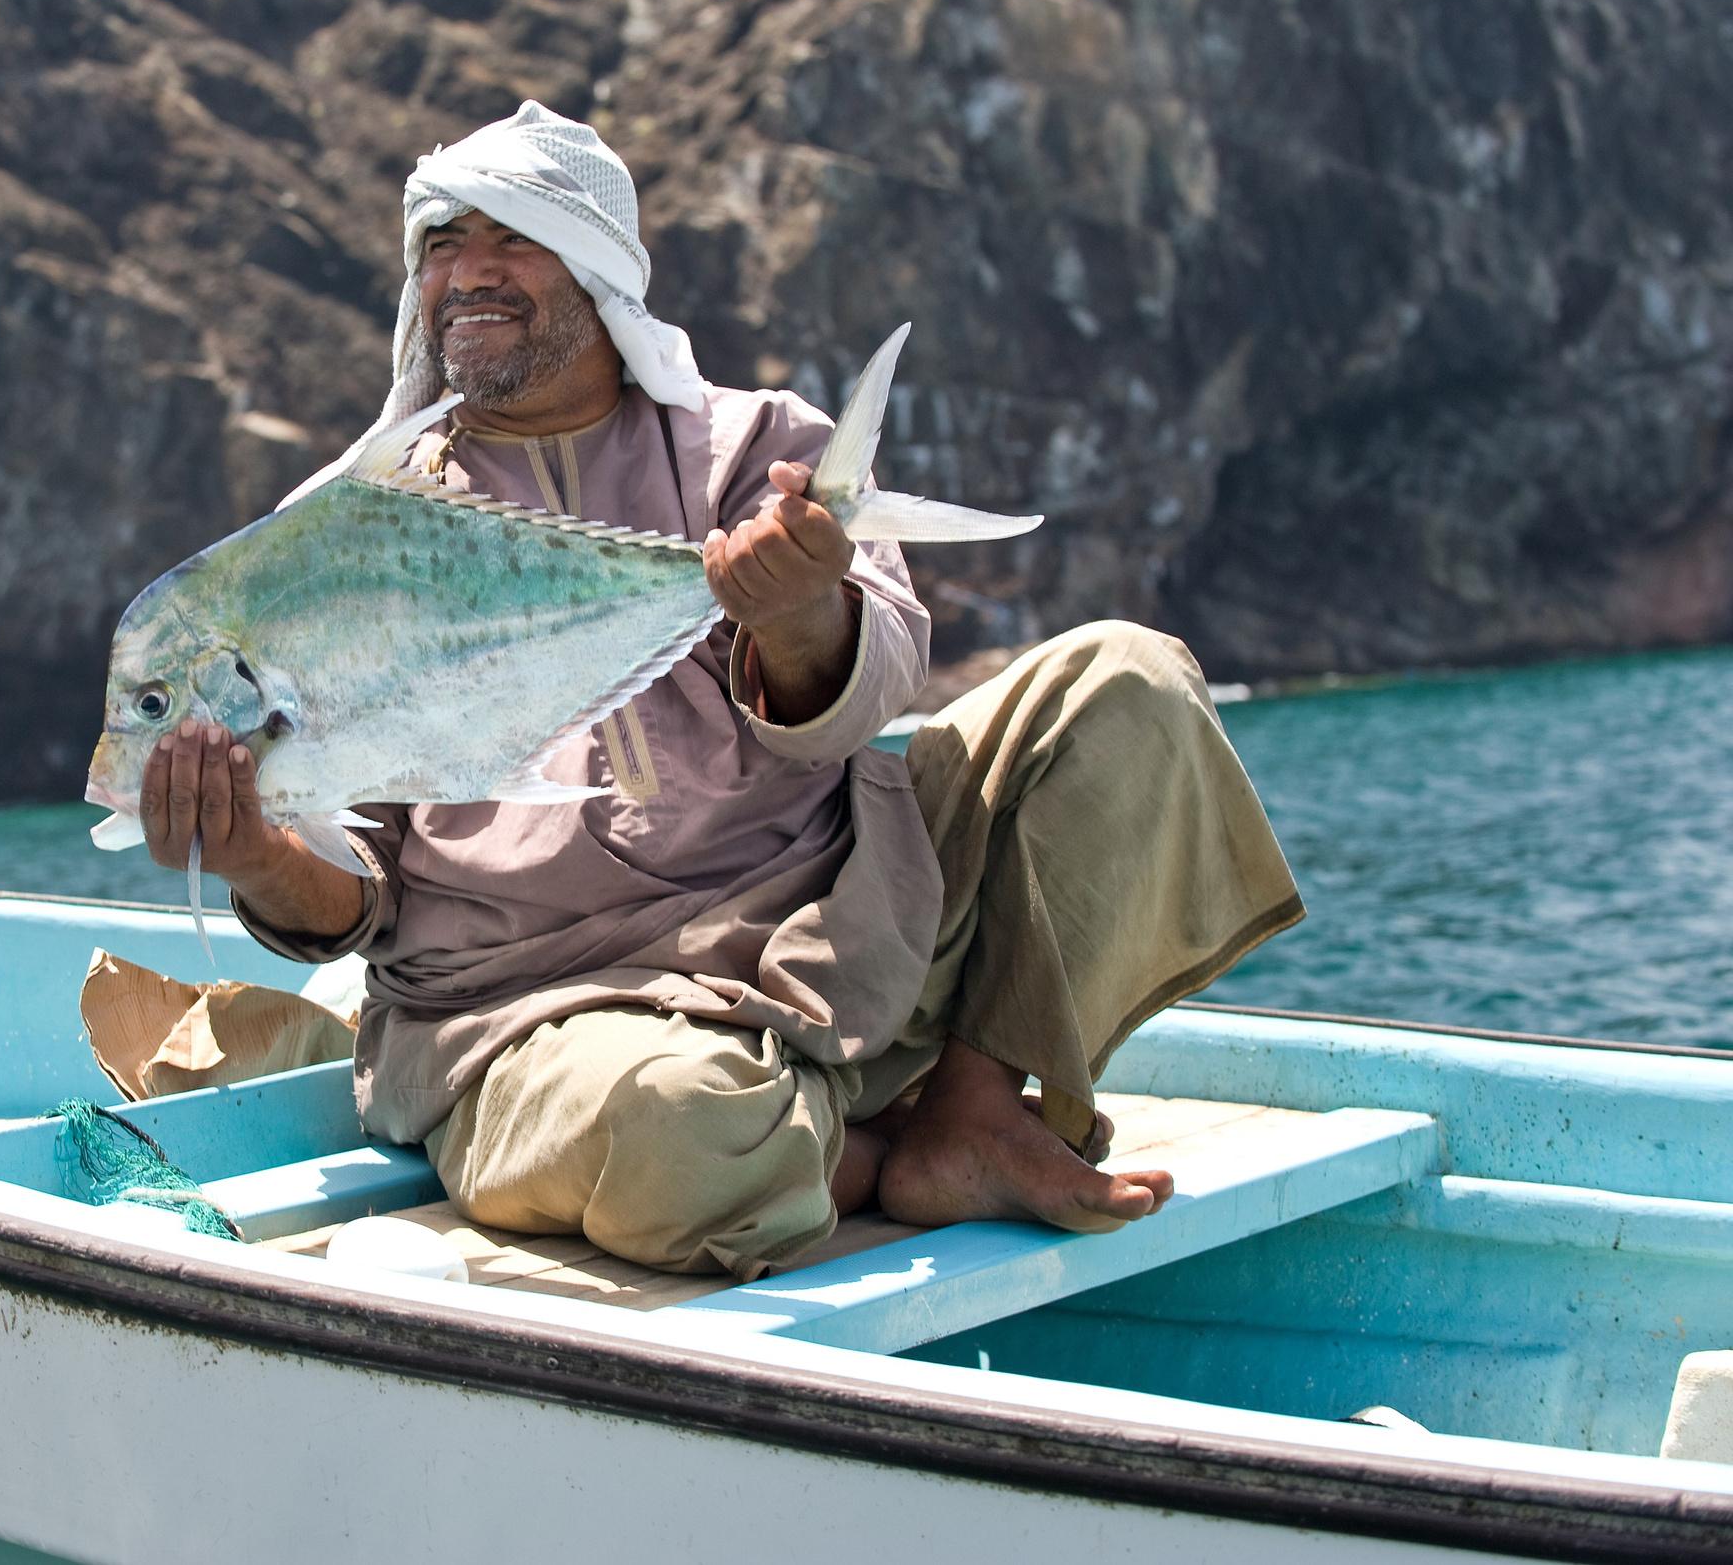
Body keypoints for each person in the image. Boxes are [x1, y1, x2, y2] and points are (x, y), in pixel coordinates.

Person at [130, 102, 1303, 1281]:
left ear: (595, 269)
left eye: (510, 239)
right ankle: (884, 1146)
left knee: (1128, 680)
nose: (466, 275)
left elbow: (880, 676)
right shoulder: (327, 546)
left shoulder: (756, 448)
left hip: (846, 921)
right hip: (540, 1017)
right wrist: (257, 856)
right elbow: (360, 901)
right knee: (675, 1129)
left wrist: (798, 615)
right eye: (440, 244)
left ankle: (975, 1099)